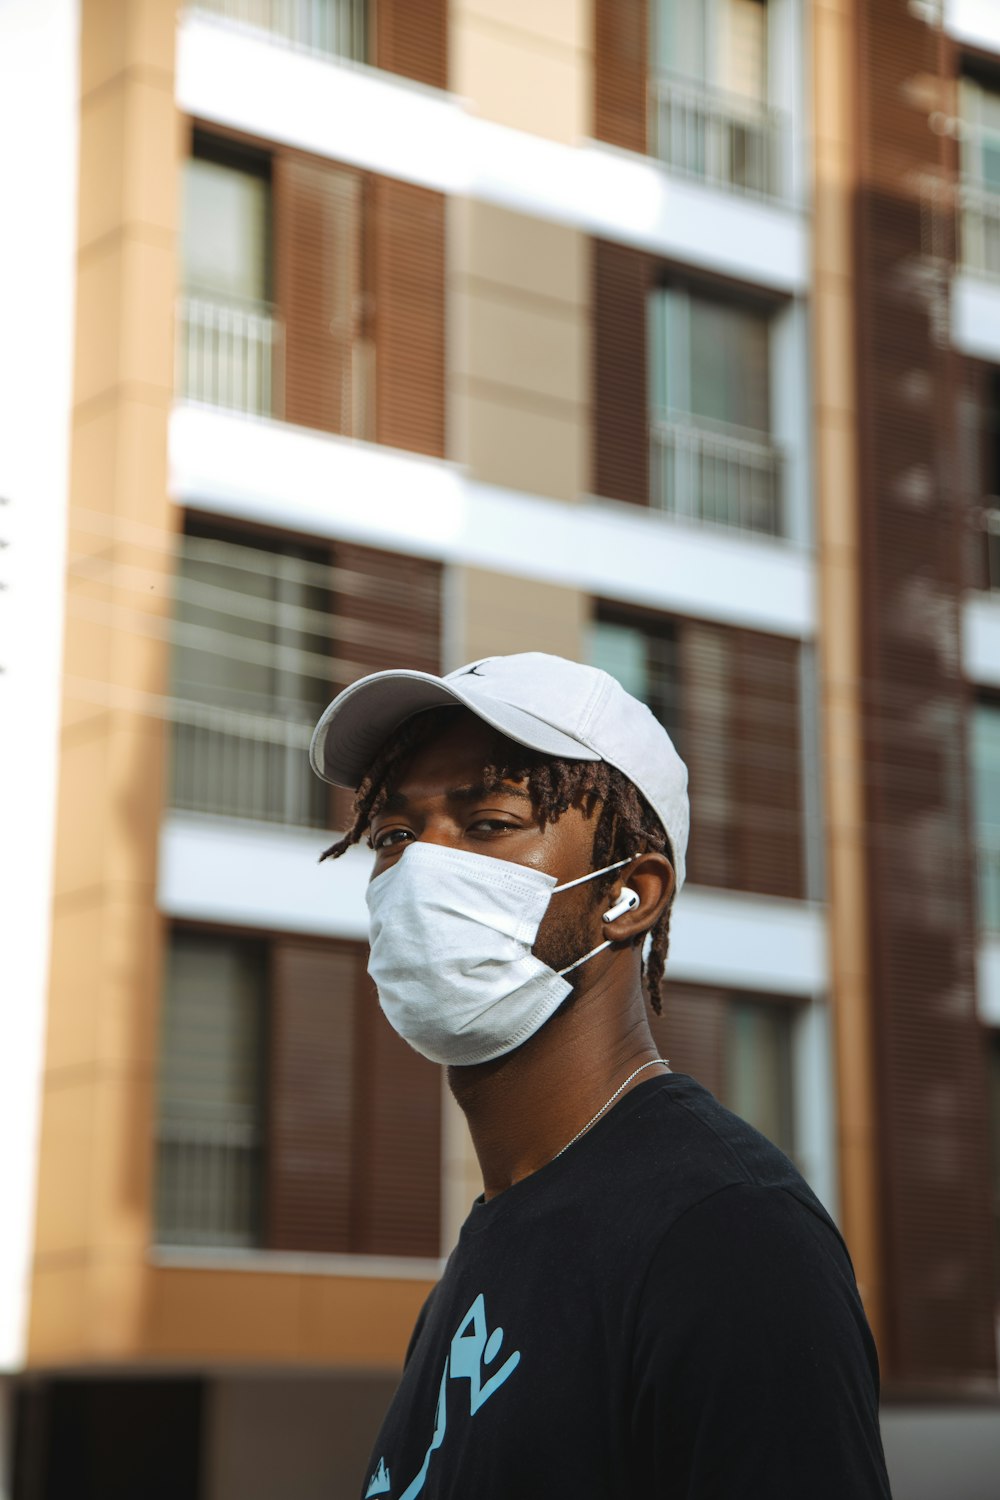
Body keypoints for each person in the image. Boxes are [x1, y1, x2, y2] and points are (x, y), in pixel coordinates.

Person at [309, 652, 893, 1500]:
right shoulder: (488, 1250)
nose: (419, 870)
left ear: (629, 896)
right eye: (396, 836)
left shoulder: (727, 1236)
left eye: (488, 824)